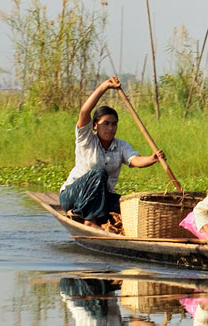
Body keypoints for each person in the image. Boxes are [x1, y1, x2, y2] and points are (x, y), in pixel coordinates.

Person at [59, 76, 165, 229]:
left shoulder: (120, 145)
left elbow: (135, 160)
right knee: (99, 172)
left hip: (102, 196)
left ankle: (101, 218)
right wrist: (104, 87)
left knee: (127, 205)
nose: (110, 128)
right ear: (95, 125)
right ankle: (90, 220)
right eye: (106, 124)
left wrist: (152, 158)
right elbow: (84, 112)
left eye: (114, 124)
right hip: (73, 195)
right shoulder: (86, 139)